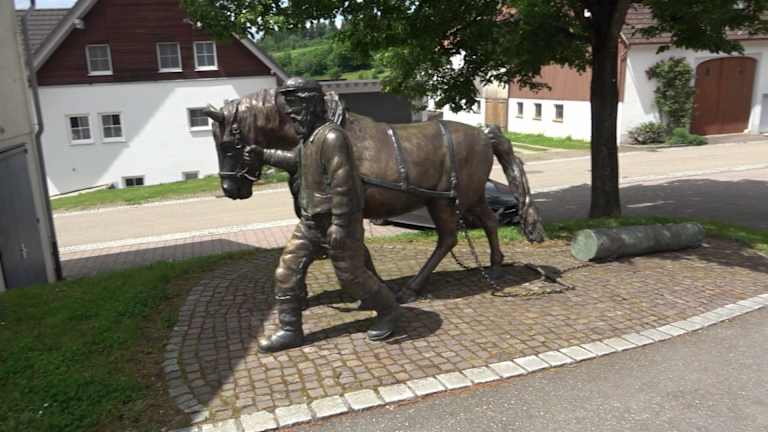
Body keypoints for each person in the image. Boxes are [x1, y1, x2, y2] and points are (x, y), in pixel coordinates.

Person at [257, 77, 402, 353]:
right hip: (310, 223)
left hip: (337, 223)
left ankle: (390, 310)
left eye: (293, 105)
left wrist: (339, 224)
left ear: (310, 103)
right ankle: (290, 330)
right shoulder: (308, 137)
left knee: (352, 278)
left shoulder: (332, 137)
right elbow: (295, 161)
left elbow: (343, 183)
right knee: (286, 271)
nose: (289, 112)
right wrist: (262, 154)